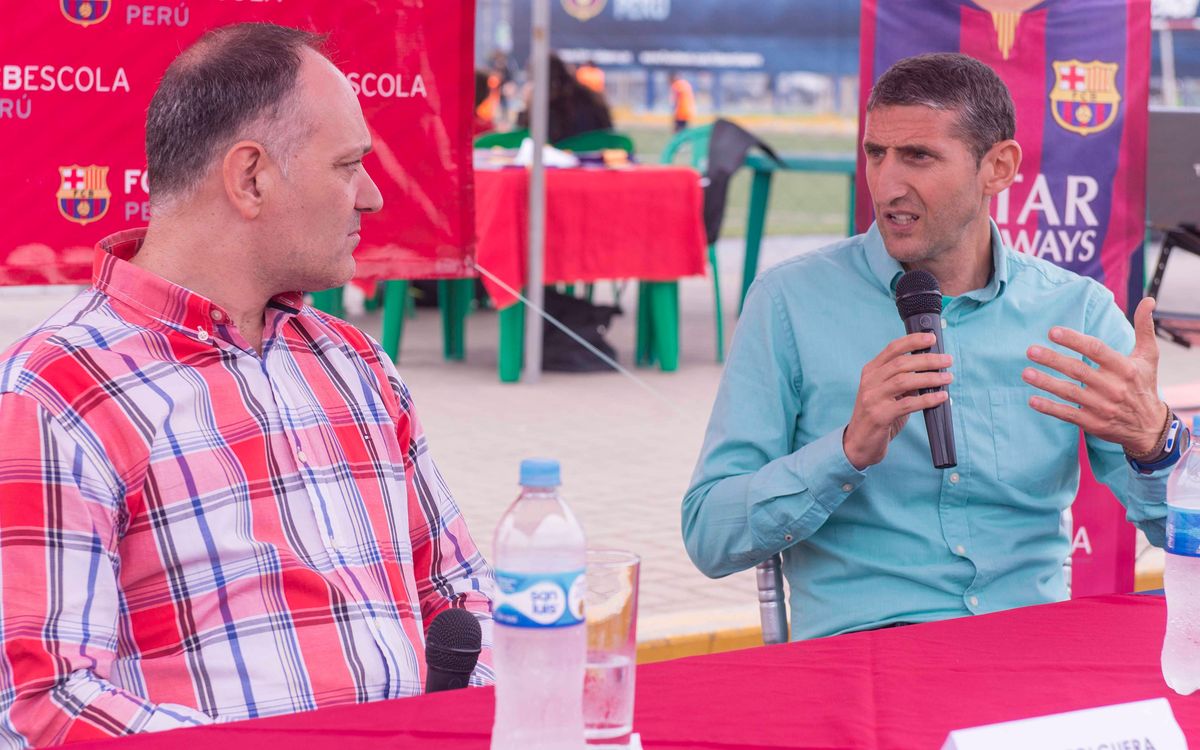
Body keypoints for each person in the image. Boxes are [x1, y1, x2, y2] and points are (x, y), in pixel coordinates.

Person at [0, 22, 494, 745]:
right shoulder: (59, 392)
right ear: (251, 178)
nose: (373, 197)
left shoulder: (354, 364)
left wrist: (459, 721)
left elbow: (461, 597)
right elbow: (44, 705)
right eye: (348, 165)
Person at [682, 53, 1182, 641]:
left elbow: (1179, 530)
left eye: (918, 156)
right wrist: (845, 451)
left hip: (1027, 645)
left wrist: (1156, 441)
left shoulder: (1076, 313)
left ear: (998, 167)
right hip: (865, 654)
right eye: (875, 154)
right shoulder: (788, 303)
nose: (887, 184)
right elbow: (709, 537)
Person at [518, 53, 612, 144]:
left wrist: (528, 108)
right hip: (601, 155)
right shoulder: (592, 97)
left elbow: (528, 137)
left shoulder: (549, 108)